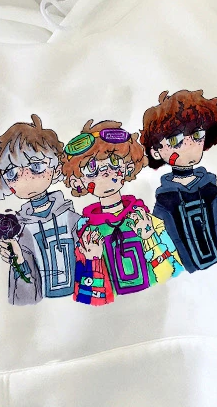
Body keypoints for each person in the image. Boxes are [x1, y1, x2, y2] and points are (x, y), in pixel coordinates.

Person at [61, 120, 180, 305]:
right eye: (92, 169)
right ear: (78, 182)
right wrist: (93, 259)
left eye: (114, 163)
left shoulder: (144, 218)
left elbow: (173, 271)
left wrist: (150, 238)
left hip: (155, 303)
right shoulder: (88, 233)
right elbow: (88, 298)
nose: (105, 174)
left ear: (128, 167)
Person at [140, 89, 217, 273]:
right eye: (175, 139)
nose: (189, 145)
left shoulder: (211, 191)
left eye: (196, 135)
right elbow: (164, 258)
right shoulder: (165, 203)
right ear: (156, 152)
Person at [0, 115, 79, 305]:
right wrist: (18, 260)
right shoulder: (21, 230)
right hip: (42, 307)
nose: (26, 178)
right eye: (12, 173)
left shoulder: (70, 217)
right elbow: (23, 294)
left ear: (55, 167)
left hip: (81, 300)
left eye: (36, 167)